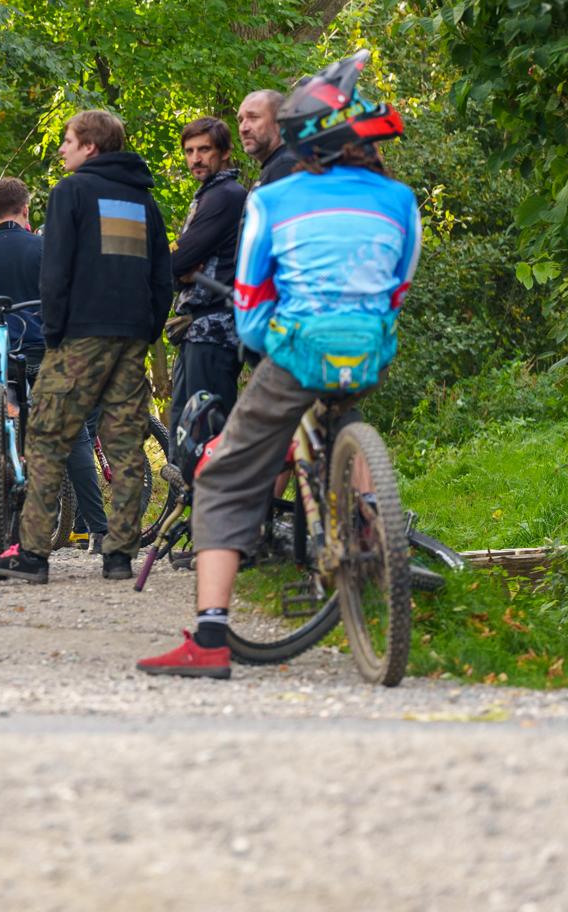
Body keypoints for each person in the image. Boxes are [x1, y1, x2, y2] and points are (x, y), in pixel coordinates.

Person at [139, 51, 421, 679]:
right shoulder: (400, 199)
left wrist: (265, 344)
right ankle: (375, 526)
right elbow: (397, 284)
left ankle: (210, 637)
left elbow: (250, 297)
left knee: (224, 475)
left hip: (297, 348)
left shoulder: (273, 199)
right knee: (336, 410)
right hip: (369, 347)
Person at [0, 110, 172, 585]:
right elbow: (160, 278)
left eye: (68, 140)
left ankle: (33, 554)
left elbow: (56, 271)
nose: (62, 148)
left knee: (47, 438)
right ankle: (119, 554)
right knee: (126, 447)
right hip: (130, 338)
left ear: (91, 146)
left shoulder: (72, 192)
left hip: (79, 337)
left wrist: (55, 333)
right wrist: (146, 329)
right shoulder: (142, 200)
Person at [0, 177, 107, 550]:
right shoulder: (44, 249)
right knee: (74, 438)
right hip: (43, 354)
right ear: (26, 209)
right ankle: (99, 530)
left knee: (3, 431)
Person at [166, 116, 247, 426]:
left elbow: (177, 259)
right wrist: (178, 270)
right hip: (197, 329)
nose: (195, 159)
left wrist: (178, 266)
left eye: (204, 150)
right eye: (189, 151)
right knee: (185, 425)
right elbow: (177, 263)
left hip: (215, 329)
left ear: (225, 152)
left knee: (205, 428)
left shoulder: (226, 195)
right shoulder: (208, 194)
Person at [238, 89, 297, 187]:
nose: (243, 128)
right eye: (240, 120)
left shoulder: (286, 166)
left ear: (279, 121)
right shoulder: (275, 166)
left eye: (253, 118)